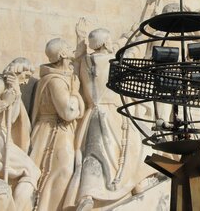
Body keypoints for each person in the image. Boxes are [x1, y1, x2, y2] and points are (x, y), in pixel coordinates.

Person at [67, 19, 147, 211]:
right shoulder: (114, 62)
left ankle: (86, 195)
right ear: (104, 43)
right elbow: (130, 53)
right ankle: (136, 184)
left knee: (94, 156)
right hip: (114, 113)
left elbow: (78, 58)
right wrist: (144, 33)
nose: (112, 43)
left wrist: (81, 40)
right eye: (109, 40)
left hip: (92, 114)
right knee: (136, 145)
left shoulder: (84, 62)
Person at [30, 39, 85, 211]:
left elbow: (76, 64)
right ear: (62, 54)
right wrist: (75, 91)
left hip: (57, 129)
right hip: (53, 131)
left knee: (62, 171)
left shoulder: (61, 77)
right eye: (68, 48)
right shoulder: (56, 81)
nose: (71, 50)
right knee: (62, 171)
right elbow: (68, 112)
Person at [0, 58, 40, 211]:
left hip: (1, 136)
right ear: (17, 71)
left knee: (31, 172)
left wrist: (16, 94)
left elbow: (11, 120)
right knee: (30, 170)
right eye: (26, 75)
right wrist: (3, 103)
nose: (26, 81)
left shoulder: (12, 88)